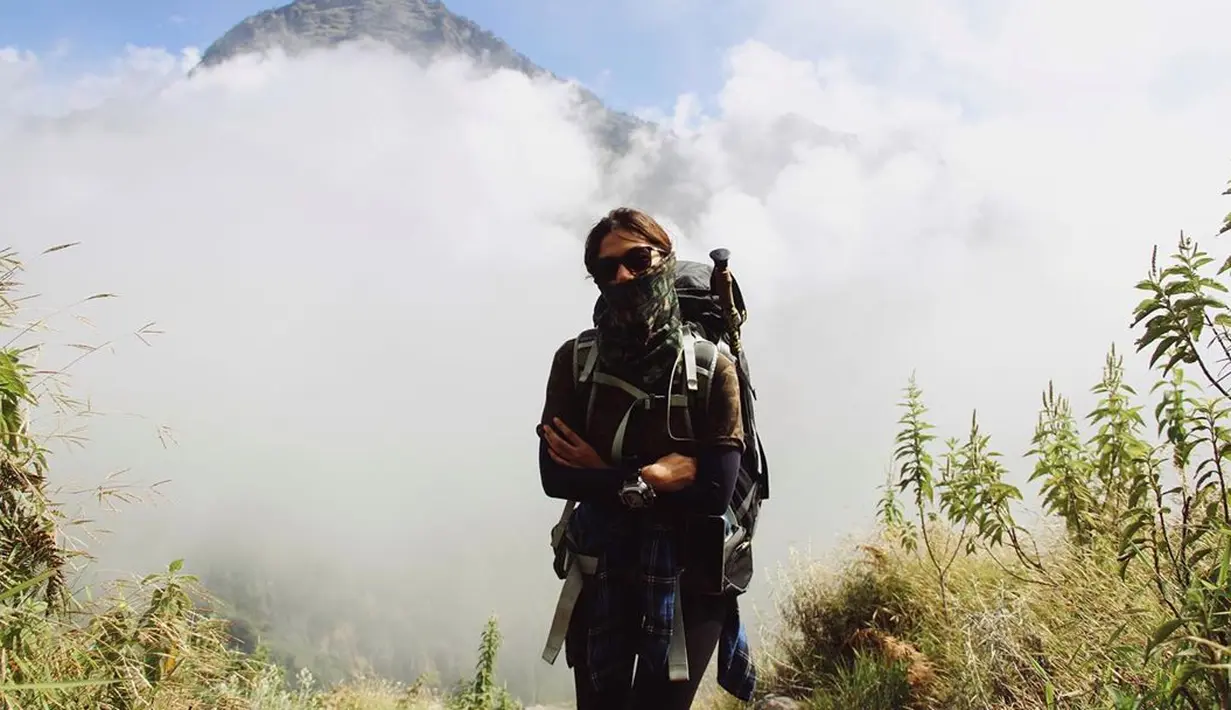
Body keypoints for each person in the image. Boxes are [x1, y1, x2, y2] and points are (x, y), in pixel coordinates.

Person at [537, 207, 756, 709]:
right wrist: (650, 478)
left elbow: (713, 496)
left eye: (638, 260)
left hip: (690, 575)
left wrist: (600, 474)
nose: (622, 276)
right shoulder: (575, 362)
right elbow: (554, 476)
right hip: (601, 569)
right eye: (606, 268)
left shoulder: (711, 369)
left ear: (664, 259)